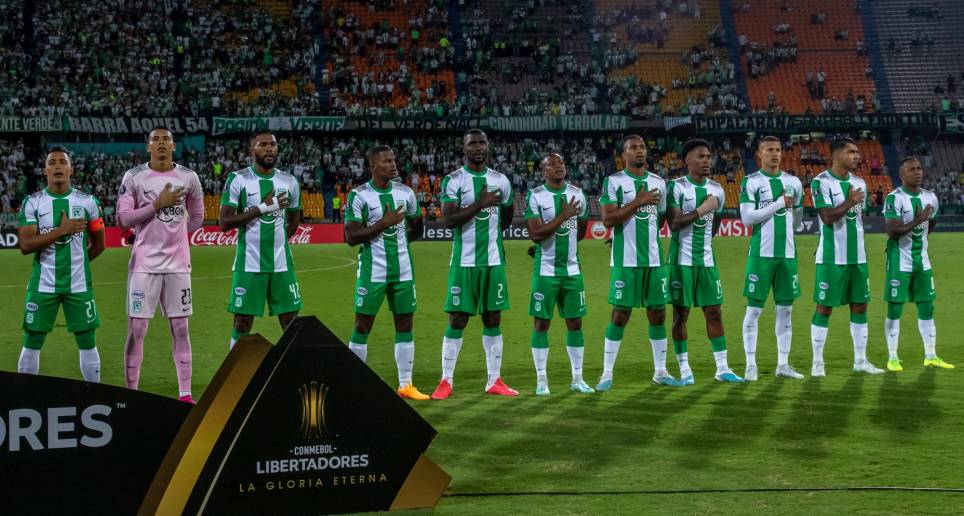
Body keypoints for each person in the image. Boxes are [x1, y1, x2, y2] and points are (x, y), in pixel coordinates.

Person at [117, 127, 204, 403]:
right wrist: (158, 205)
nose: (161, 143)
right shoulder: (134, 177)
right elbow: (124, 219)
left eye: (166, 139)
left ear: (174, 146)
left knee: (181, 327)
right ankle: (132, 393)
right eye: (156, 139)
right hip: (144, 266)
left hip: (178, 266)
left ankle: (185, 393)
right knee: (138, 329)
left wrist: (177, 236)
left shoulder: (189, 177)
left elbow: (197, 218)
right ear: (148, 147)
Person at [431, 129, 518, 399]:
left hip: (493, 261)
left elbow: (506, 218)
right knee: (458, 319)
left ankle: (494, 380)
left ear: (488, 146)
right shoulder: (454, 180)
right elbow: (448, 220)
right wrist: (480, 204)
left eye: (482, 142)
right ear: (464, 148)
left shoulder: (500, 180)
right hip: (464, 261)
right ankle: (446, 381)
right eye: (472, 143)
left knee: (493, 317)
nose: (478, 147)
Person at [344, 145, 430, 400]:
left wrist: (401, 244)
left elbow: (418, 227)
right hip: (372, 271)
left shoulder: (406, 193)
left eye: (394, 160)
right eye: (386, 161)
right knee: (362, 324)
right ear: (373, 166)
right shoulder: (359, 196)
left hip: (403, 271)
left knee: (405, 324)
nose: (393, 165)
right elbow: (350, 237)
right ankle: (354, 382)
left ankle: (406, 384)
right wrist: (384, 223)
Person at [596, 135, 678, 391]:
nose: (639, 151)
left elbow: (662, 219)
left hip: (654, 261)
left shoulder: (658, 183)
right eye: (633, 148)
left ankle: (661, 371)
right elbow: (608, 220)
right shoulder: (614, 182)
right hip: (625, 261)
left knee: (658, 314)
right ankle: (607, 374)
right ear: (624, 155)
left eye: (642, 146)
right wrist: (638, 202)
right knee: (620, 315)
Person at [16, 147, 105, 382]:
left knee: (87, 339)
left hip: (79, 284)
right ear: (45, 170)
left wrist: (78, 265)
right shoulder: (32, 202)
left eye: (62, 162)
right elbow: (25, 245)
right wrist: (61, 231)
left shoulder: (88, 202)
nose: (57, 166)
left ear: (70, 169)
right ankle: (24, 395)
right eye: (52, 162)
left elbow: (99, 245)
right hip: (43, 284)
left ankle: (93, 394)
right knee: (33, 339)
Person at [666, 139, 744, 384]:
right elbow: (674, 224)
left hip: (707, 262)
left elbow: (715, 225)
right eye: (700, 156)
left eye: (708, 157)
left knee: (714, 312)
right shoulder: (676, 187)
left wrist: (706, 219)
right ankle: (685, 368)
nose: (707, 161)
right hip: (681, 262)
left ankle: (722, 368)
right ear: (687, 160)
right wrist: (702, 209)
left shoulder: (718, 189)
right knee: (681, 314)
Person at [219, 130, 303, 348]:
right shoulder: (238, 179)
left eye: (273, 144)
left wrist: (278, 242)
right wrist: (262, 208)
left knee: (291, 321)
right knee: (242, 323)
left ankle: (290, 372)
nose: (269, 148)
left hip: (282, 264)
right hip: (248, 264)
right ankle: (235, 376)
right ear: (252, 149)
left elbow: (293, 222)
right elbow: (225, 222)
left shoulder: (289, 181)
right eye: (263, 144)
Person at [810, 137, 882, 375]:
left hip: (858, 257)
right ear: (836, 155)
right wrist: (849, 201)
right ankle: (818, 362)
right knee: (824, 308)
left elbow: (857, 221)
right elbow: (827, 217)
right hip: (832, 257)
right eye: (851, 152)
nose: (857, 156)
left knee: (860, 306)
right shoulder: (821, 182)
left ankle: (861, 361)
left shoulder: (860, 182)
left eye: (857, 152)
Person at [523, 153, 593, 395]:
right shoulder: (535, 196)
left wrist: (568, 222)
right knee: (541, 323)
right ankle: (542, 380)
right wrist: (563, 216)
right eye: (552, 165)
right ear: (543, 171)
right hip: (545, 272)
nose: (558, 167)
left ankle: (578, 378)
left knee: (575, 323)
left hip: (573, 271)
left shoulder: (578, 194)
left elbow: (581, 232)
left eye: (561, 163)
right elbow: (536, 235)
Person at [739, 136, 805, 381]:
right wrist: (778, 204)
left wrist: (785, 212)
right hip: (760, 255)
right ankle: (750, 364)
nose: (775, 154)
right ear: (759, 154)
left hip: (787, 255)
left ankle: (783, 365)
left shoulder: (793, 182)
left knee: (785, 310)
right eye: (769, 150)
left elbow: (797, 218)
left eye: (778, 149)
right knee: (754, 310)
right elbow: (747, 219)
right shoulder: (751, 182)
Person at [882, 157, 953, 370]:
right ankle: (893, 357)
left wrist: (922, 229)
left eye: (919, 168)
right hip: (899, 262)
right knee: (895, 309)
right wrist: (919, 219)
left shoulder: (931, 197)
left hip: (922, 261)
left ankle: (930, 355)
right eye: (912, 169)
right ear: (902, 175)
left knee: (927, 307)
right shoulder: (894, 198)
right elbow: (893, 231)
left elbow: (932, 223)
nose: (918, 172)